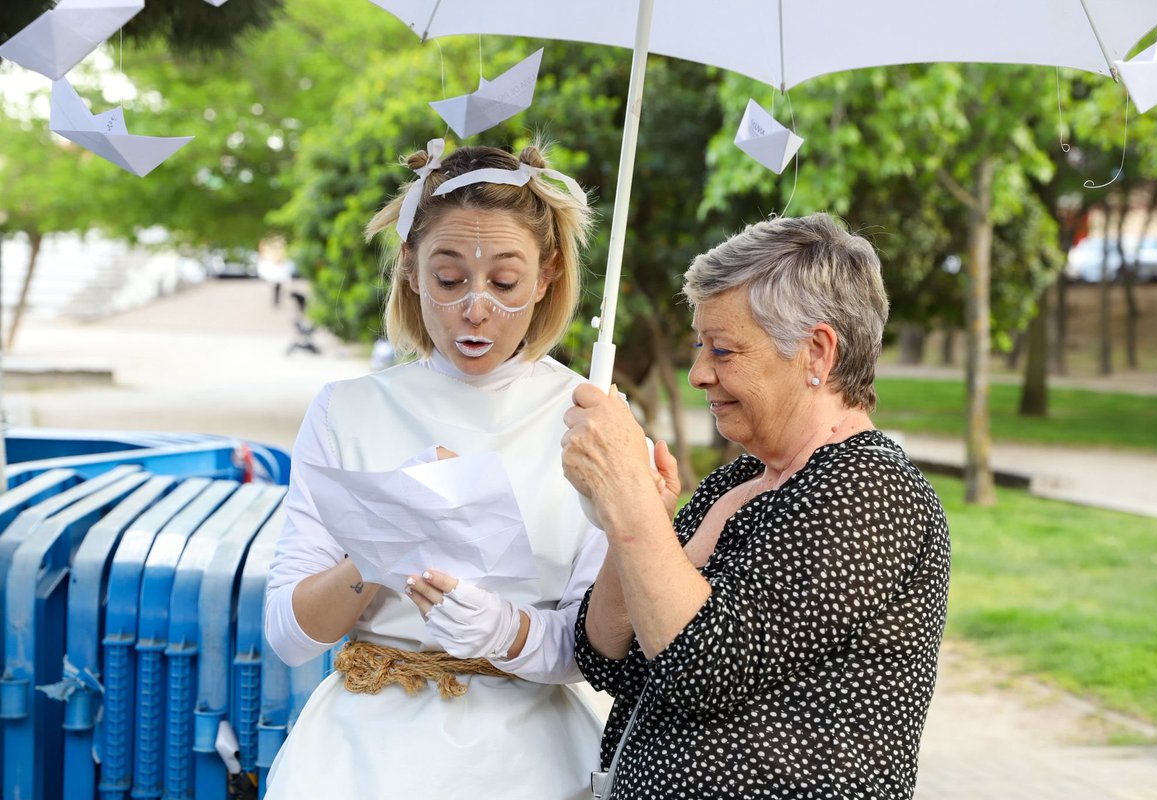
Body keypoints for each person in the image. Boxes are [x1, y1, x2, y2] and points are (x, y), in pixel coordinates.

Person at [561, 213, 951, 799]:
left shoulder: (872, 490)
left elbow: (700, 667)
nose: (698, 374)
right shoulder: (735, 483)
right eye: (699, 346)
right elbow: (607, 658)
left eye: (723, 350)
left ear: (816, 353)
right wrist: (632, 523)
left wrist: (633, 505)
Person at [264, 138, 605, 799]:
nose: (476, 307)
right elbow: (289, 635)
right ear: (411, 270)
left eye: (504, 281)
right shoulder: (346, 410)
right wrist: (385, 532)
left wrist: (507, 630)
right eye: (449, 279)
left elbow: (600, 646)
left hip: (534, 763)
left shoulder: (590, 416)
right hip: (361, 761)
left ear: (547, 275)